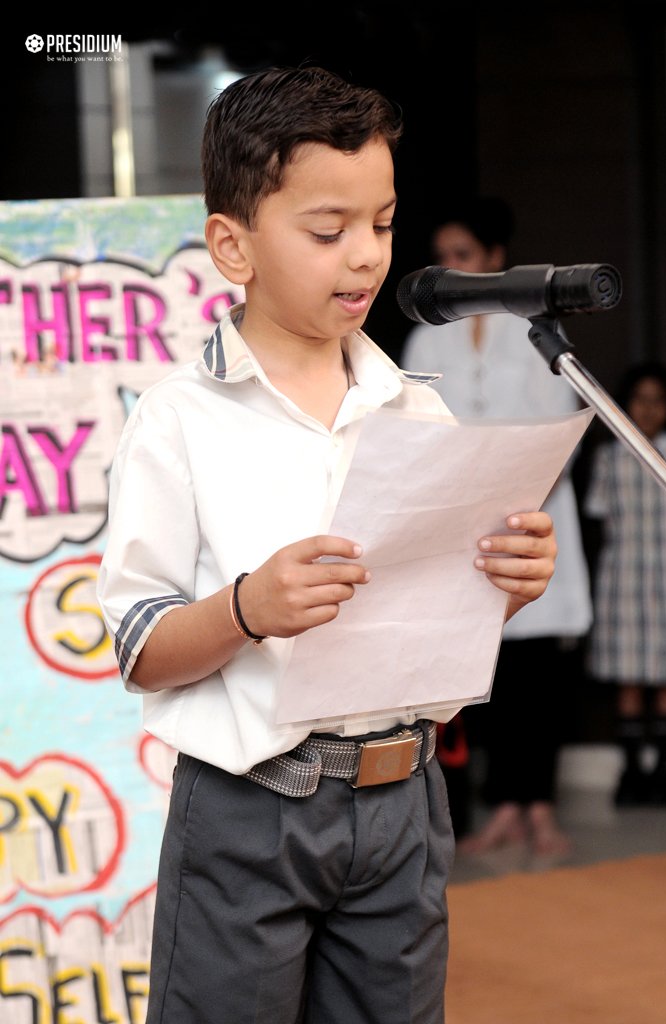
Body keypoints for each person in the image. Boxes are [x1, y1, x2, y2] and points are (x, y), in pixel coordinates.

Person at [97, 68, 558, 1024]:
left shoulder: (416, 406)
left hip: (406, 803)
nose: (365, 256)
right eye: (326, 230)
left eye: (381, 224)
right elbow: (139, 649)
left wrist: (504, 586)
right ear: (232, 244)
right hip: (249, 812)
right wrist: (245, 609)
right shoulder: (179, 420)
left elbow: (436, 610)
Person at [402, 197, 592, 856]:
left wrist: (510, 495)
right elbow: (419, 428)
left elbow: (559, 428)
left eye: (462, 255)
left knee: (538, 675)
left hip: (532, 517)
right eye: (443, 256)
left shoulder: (533, 326)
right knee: (487, 673)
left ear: (493, 258)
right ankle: (504, 805)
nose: (450, 266)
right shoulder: (427, 334)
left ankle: (540, 807)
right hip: (462, 528)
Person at [584, 360, 666, 807]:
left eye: (658, 401)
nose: (649, 409)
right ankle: (631, 772)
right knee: (628, 678)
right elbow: (598, 513)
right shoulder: (610, 456)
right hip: (623, 576)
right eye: (641, 400)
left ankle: (661, 772)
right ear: (627, 404)